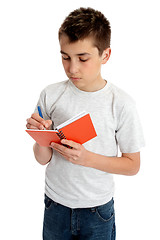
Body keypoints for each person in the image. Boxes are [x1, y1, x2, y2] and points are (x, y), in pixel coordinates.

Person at [26, 7, 145, 240]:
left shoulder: (121, 104)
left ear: (105, 55)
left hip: (97, 211)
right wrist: (41, 138)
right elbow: (42, 159)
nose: (72, 68)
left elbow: (133, 165)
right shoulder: (50, 95)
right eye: (65, 57)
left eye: (82, 58)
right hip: (55, 205)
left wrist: (87, 159)